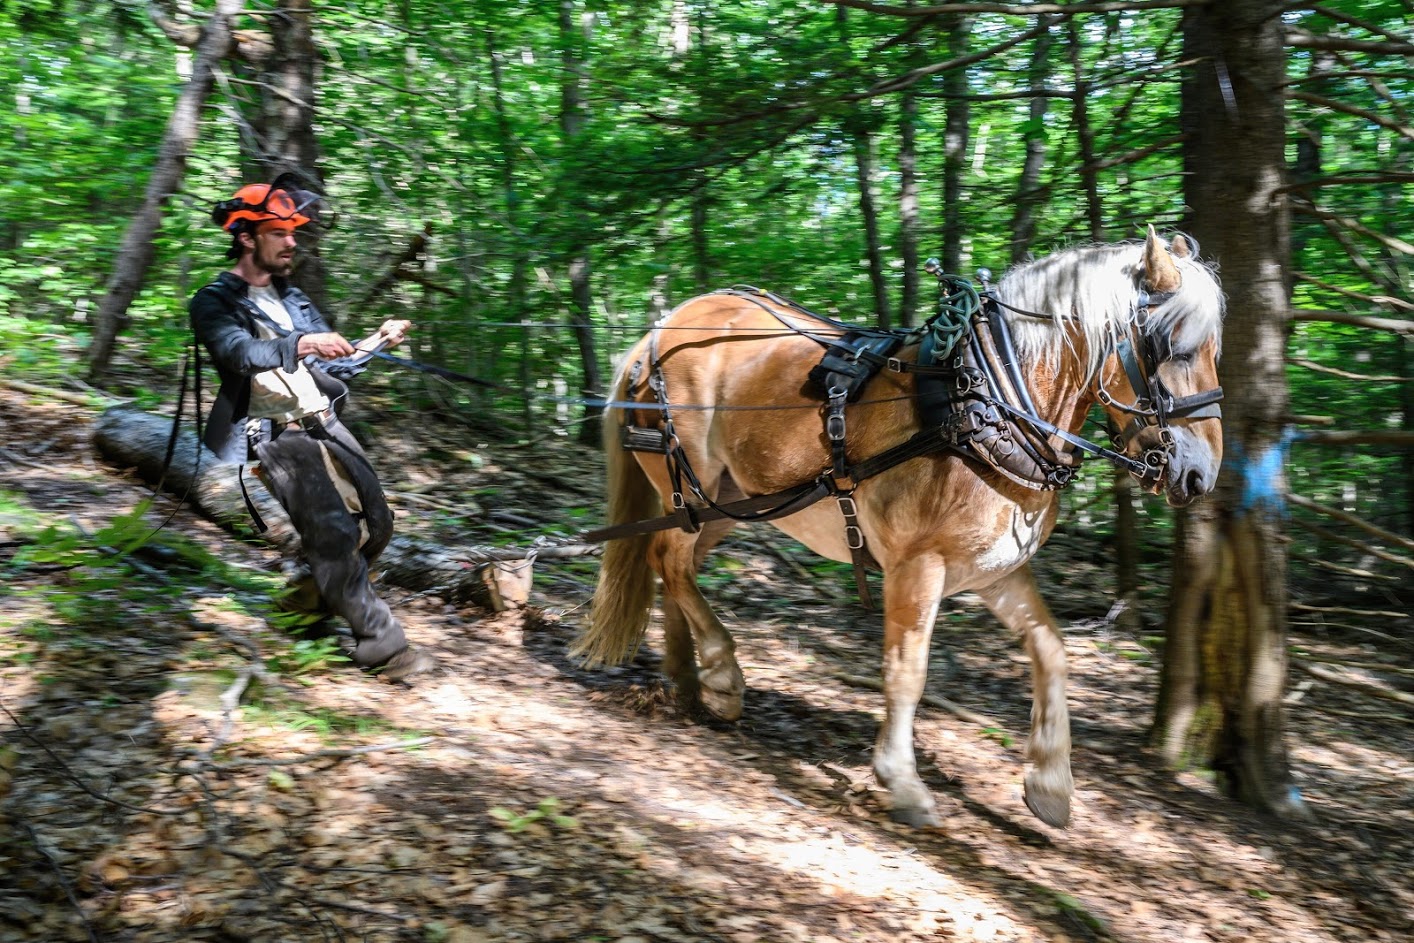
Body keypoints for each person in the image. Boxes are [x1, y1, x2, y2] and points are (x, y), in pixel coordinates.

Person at [190, 180, 435, 682]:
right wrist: (303, 342)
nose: (291, 242)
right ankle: (384, 647)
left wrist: (377, 340)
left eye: (293, 232)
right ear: (246, 237)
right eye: (278, 232)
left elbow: (334, 368)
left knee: (379, 525)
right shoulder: (213, 301)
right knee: (334, 533)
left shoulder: (293, 298)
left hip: (325, 421)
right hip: (275, 435)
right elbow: (240, 353)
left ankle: (304, 602)